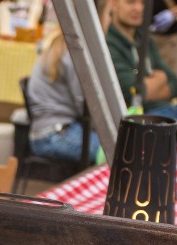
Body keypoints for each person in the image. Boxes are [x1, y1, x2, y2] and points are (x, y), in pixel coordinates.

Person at [25, 0, 111, 164]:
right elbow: (86, 106)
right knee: (118, 153)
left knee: (119, 148)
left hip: (52, 130)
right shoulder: (74, 50)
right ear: (95, 19)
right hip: (54, 135)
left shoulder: (61, 40)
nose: (109, 21)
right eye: (108, 15)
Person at [106, 0, 177, 123]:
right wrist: (161, 80)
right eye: (130, 2)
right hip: (142, 116)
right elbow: (132, 94)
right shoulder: (108, 42)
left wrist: (150, 86)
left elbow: (174, 83)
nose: (138, 8)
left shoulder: (144, 37)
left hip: (167, 109)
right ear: (113, 5)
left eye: (142, 3)